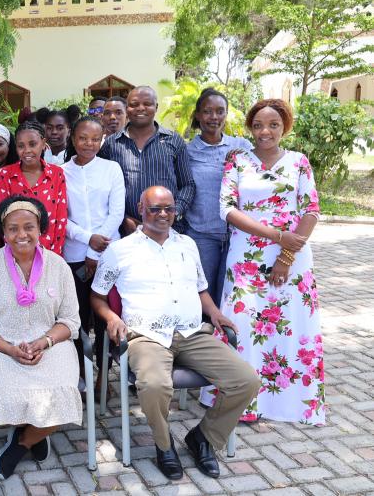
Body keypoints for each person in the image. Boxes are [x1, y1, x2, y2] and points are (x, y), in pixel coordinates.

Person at [91, 186, 260, 480]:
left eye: (169, 208)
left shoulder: (187, 244)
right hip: (146, 335)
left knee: (246, 380)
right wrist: (111, 318)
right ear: (141, 209)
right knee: (154, 385)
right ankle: (164, 445)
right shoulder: (119, 250)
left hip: (193, 332)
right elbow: (97, 295)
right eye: (155, 209)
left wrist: (216, 313)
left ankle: (204, 438)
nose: (163, 214)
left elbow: (200, 288)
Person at [199, 99, 325, 425]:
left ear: (284, 126)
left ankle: (285, 401)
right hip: (247, 258)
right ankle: (240, 400)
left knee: (289, 322)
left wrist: (285, 254)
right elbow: (227, 209)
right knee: (242, 320)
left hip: (291, 259)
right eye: (258, 125)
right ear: (250, 129)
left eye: (273, 125)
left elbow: (310, 210)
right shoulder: (238, 162)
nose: (265, 131)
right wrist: (276, 234)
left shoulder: (299, 162)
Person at [0, 196, 82, 480]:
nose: (21, 235)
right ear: (3, 233)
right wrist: (8, 348)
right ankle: (37, 430)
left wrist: (44, 342)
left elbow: (70, 320)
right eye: (13, 228)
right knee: (4, 389)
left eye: (29, 226)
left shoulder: (58, 266)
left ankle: (22, 442)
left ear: (40, 228)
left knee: (64, 393)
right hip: (2, 346)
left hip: (51, 345)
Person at [61, 117, 125, 395]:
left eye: (95, 139)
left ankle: (103, 375)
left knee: (104, 317)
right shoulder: (59, 172)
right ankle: (81, 373)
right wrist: (88, 241)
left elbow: (116, 213)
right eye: (83, 138)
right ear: (73, 139)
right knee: (76, 316)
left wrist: (95, 250)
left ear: (102, 140)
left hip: (108, 254)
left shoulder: (112, 169)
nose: (89, 144)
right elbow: (60, 217)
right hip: (73, 254)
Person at [99, 86, 195, 235]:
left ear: (156, 107)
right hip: (126, 231)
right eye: (134, 104)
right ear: (127, 108)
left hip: (169, 231)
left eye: (147, 104)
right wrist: (122, 219)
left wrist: (173, 213)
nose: (140, 108)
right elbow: (102, 189)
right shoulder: (112, 144)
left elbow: (187, 185)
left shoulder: (174, 140)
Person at [186, 89, 251, 307]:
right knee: (201, 295)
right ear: (197, 115)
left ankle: (229, 340)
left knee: (232, 294)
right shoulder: (187, 151)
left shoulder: (242, 147)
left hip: (237, 234)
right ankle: (205, 339)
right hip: (201, 234)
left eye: (220, 111)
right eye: (207, 111)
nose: (214, 117)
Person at [0, 120, 68, 255]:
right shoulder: (6, 174)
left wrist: (54, 255)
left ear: (43, 144)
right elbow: (3, 218)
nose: (27, 150)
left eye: (33, 144)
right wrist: (15, 253)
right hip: (16, 252)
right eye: (21, 146)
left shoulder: (56, 174)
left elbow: (61, 219)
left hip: (49, 252)